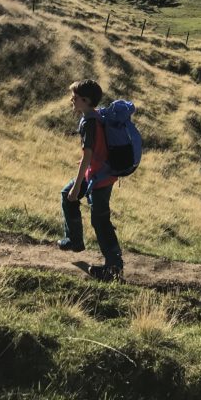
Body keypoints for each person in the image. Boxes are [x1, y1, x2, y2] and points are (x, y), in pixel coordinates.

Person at [58, 79, 124, 281]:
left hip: (100, 179)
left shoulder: (89, 122)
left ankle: (113, 268)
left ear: (85, 101)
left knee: (100, 221)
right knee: (67, 196)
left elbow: (87, 157)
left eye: (75, 97)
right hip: (99, 175)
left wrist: (77, 187)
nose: (72, 100)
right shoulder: (95, 115)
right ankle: (74, 240)